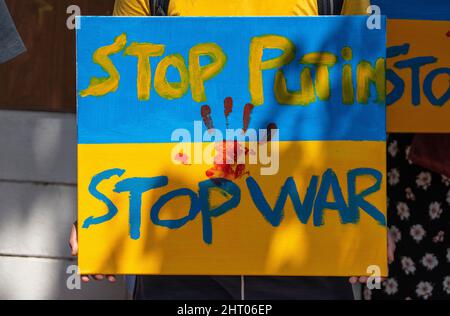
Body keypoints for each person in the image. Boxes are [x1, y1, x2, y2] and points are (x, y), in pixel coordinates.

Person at [70, 0, 395, 300]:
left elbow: (355, 101)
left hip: (302, 246)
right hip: (181, 254)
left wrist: (367, 223)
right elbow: (121, 105)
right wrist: (99, 219)